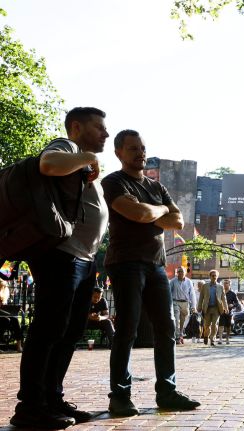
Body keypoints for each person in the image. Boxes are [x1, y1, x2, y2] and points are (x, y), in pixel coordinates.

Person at [12, 107, 109, 429]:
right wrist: (88, 157)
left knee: (69, 332)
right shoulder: (66, 146)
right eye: (99, 128)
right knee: (49, 329)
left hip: (83, 258)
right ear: (77, 127)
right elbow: (48, 164)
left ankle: (52, 398)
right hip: (61, 254)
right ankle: (30, 407)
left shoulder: (80, 159)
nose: (105, 134)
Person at [102, 130, 200, 417]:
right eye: (133, 148)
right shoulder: (113, 182)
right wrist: (160, 211)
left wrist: (149, 210)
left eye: (142, 148)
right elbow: (138, 215)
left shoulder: (156, 186)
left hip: (156, 264)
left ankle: (167, 392)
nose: (140, 153)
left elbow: (178, 221)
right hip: (125, 262)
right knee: (127, 328)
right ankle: (120, 396)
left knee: (166, 327)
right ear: (119, 153)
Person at [197, 270, 226, 346]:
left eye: (215, 275)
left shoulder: (220, 287)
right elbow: (201, 297)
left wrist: (226, 308)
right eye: (212, 275)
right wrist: (199, 306)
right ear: (210, 277)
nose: (214, 277)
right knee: (207, 325)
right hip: (207, 308)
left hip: (216, 308)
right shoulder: (205, 286)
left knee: (214, 324)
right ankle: (206, 336)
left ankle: (212, 339)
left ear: (217, 276)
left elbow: (224, 298)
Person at [169, 267, 195, 344]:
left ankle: (180, 334)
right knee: (176, 320)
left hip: (185, 303)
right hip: (175, 302)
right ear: (177, 273)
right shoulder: (173, 281)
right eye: (179, 271)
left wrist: (193, 306)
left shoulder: (189, 282)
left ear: (185, 273)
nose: (180, 273)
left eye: (182, 271)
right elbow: (169, 292)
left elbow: (192, 294)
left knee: (183, 321)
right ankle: (177, 337)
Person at [0, 280, 23, 353]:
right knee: (5, 321)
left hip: (3, 315)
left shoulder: (5, 294)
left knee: (15, 320)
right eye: (2, 286)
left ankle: (19, 346)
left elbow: (5, 307)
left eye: (4, 286)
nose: (4, 288)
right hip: (2, 317)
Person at [216, 279, 241, 345]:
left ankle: (227, 339)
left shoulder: (233, 294)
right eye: (224, 283)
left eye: (226, 283)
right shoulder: (221, 292)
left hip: (229, 312)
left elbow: (237, 303)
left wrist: (233, 305)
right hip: (221, 311)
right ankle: (220, 339)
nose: (225, 284)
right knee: (221, 325)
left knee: (228, 326)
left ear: (230, 284)